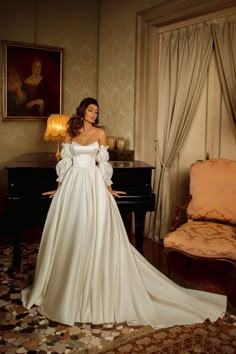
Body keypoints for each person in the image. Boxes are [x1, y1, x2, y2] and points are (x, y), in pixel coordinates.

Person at [21, 97, 227, 329]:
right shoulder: (71, 131)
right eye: (90, 110)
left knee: (93, 234)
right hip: (72, 187)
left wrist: (109, 188)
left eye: (96, 111)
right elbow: (66, 163)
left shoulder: (100, 134)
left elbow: (103, 165)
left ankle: (92, 286)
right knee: (71, 233)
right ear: (82, 111)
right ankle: (66, 286)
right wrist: (58, 188)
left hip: (93, 187)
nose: (94, 114)